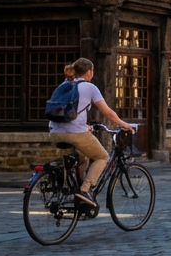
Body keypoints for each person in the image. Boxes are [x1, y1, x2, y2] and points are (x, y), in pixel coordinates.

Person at [49, 58, 137, 206]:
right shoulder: (90, 87)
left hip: (54, 132)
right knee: (102, 156)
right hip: (75, 134)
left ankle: (73, 184)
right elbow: (107, 112)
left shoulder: (64, 85)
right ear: (90, 71)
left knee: (83, 155)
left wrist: (86, 126)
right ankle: (84, 189)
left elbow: (67, 113)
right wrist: (124, 124)